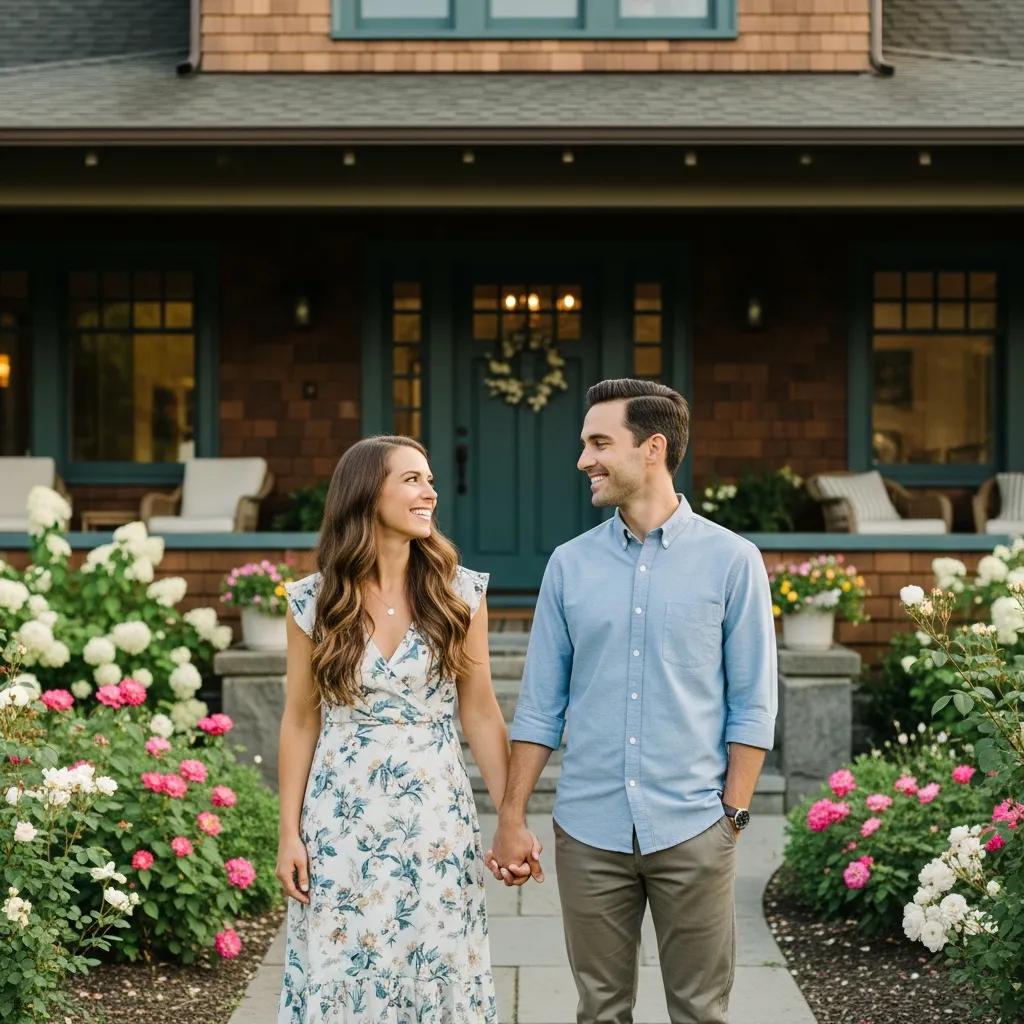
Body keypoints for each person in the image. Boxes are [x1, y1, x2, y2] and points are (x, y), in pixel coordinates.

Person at [487, 379, 778, 1024]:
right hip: (589, 830)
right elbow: (539, 707)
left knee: (700, 1011)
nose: (584, 460)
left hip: (695, 826)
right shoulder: (568, 565)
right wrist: (512, 816)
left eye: (599, 443)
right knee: (600, 1010)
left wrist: (731, 816)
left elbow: (753, 705)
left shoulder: (734, 561)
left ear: (653, 448)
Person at [276, 435, 520, 1023]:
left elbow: (481, 712)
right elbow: (301, 718)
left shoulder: (460, 593)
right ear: (367, 493)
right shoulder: (314, 601)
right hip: (340, 818)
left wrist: (511, 817)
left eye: (430, 478)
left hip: (434, 817)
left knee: (437, 957)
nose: (429, 491)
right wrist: (288, 833)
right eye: (412, 479)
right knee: (344, 965)